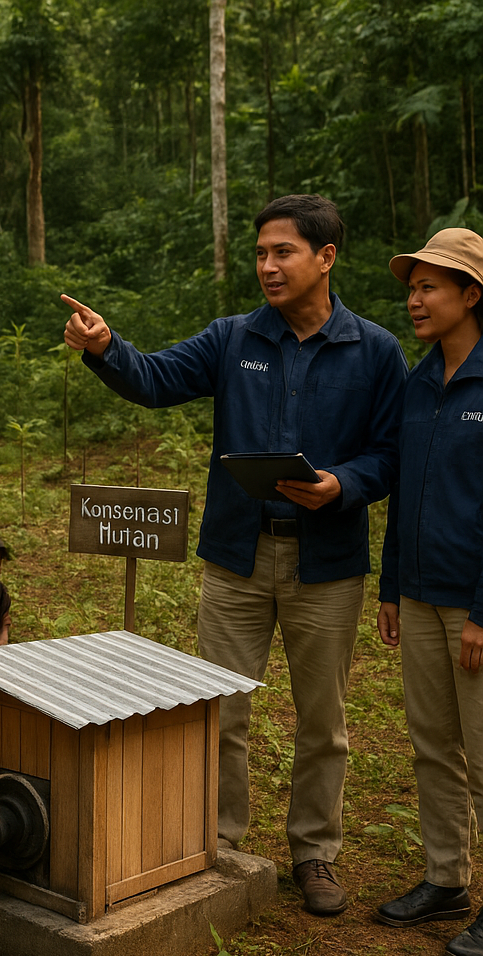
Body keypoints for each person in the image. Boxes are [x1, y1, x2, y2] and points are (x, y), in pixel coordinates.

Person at [63, 194, 407, 915]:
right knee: (219, 709)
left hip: (326, 564)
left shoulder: (374, 351)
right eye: (260, 254)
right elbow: (155, 380)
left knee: (323, 722)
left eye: (283, 252)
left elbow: (389, 455)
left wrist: (341, 484)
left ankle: (314, 853)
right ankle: (215, 841)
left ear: (326, 258)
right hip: (236, 558)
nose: (267, 266)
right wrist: (105, 346)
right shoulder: (233, 338)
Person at [372, 228, 483, 956]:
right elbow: (406, 491)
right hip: (418, 595)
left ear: (471, 294)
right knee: (433, 746)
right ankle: (447, 879)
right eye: (412, 288)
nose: (415, 300)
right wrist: (391, 587)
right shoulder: (417, 383)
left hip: (474, 606)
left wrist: (482, 612)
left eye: (430, 287)